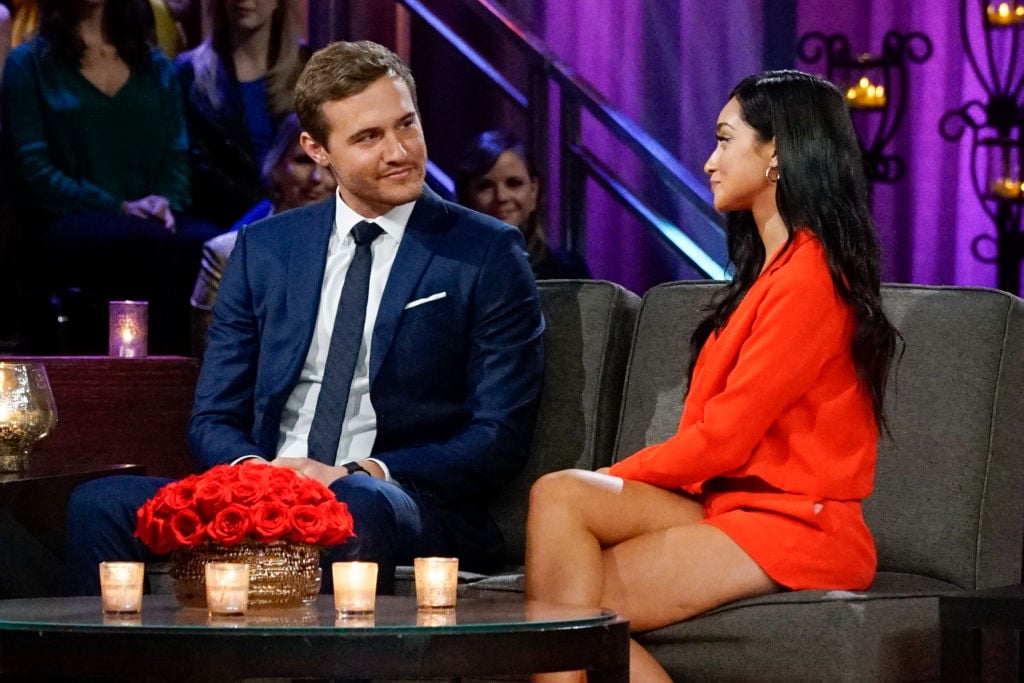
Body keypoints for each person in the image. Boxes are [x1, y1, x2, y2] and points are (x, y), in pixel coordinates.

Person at [66, 40, 545, 596]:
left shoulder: (485, 251)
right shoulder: (264, 248)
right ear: (317, 149)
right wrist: (258, 475)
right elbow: (213, 416)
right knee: (97, 505)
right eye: (368, 137)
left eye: (406, 125)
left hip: (401, 495)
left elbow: (497, 435)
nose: (398, 151)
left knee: (355, 504)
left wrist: (360, 472)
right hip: (267, 485)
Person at [524, 70, 899, 682]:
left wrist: (611, 477)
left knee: (562, 606)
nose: (708, 162)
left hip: (798, 524)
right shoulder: (770, 272)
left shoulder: (810, 278)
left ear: (777, 152)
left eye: (725, 140)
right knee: (558, 528)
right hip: (735, 505)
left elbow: (723, 439)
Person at [0, 0, 220, 354]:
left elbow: (176, 156)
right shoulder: (28, 64)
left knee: (210, 245)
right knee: (147, 244)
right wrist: (119, 207)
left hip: (153, 220)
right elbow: (35, 170)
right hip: (67, 220)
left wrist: (164, 201)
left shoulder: (156, 66)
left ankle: (188, 378)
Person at [189, 111, 337, 356]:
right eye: (303, 160)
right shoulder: (228, 255)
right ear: (277, 166)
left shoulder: (366, 251)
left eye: (329, 166)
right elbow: (215, 361)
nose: (317, 177)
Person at [176, 0, 304, 228]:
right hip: (224, 222)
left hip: (301, 215)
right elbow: (199, 171)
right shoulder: (189, 74)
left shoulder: (311, 68)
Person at [455, 129, 590, 279]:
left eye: (514, 183)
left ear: (533, 191)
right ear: (467, 197)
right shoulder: (446, 273)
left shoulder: (567, 272)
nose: (501, 197)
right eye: (485, 186)